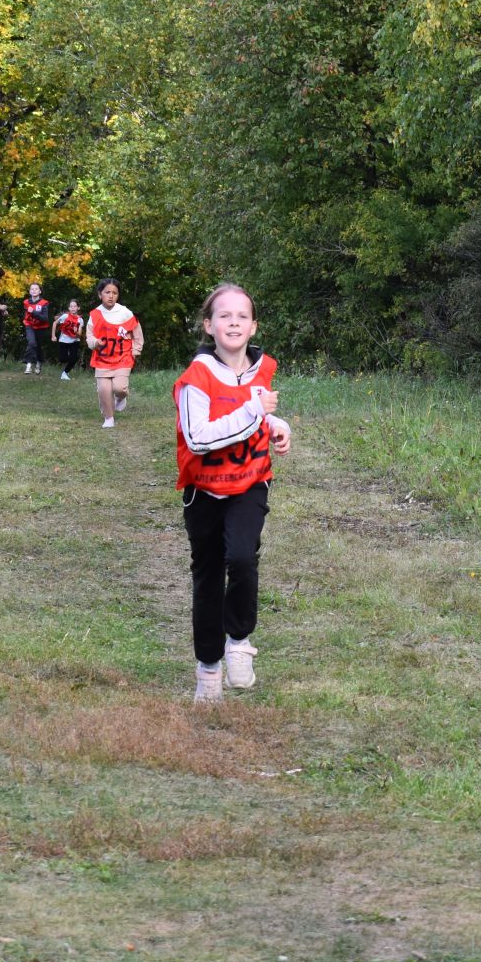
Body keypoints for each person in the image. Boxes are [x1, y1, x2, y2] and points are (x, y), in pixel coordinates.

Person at [173, 283, 292, 702]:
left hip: (249, 483)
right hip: (203, 491)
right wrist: (255, 411)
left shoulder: (262, 370)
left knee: (242, 557)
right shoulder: (196, 378)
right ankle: (208, 670)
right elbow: (200, 437)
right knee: (207, 577)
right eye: (224, 315)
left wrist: (280, 427)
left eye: (243, 315)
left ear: (254, 325)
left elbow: (263, 416)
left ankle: (239, 640)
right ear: (209, 325)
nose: (234, 322)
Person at [86, 277, 142, 428]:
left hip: (123, 358)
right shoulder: (94, 315)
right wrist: (95, 343)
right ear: (100, 294)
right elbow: (89, 336)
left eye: (114, 293)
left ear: (118, 295)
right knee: (104, 390)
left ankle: (120, 397)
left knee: (120, 388)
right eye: (107, 292)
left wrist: (136, 350)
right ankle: (109, 418)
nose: (111, 296)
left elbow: (137, 333)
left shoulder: (125, 313)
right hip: (102, 359)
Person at [20, 283, 51, 374]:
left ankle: (38, 362)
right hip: (29, 325)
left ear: (40, 291)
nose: (34, 290)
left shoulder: (44, 303)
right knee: (31, 343)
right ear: (29, 291)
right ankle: (28, 365)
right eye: (32, 289)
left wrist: (33, 312)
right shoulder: (26, 302)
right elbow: (26, 314)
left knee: (38, 346)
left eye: (36, 289)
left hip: (41, 327)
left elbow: (45, 318)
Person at [54, 299, 83, 379]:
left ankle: (65, 373)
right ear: (69, 308)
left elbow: (79, 335)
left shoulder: (80, 320)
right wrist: (53, 336)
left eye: (75, 306)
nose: (73, 308)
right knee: (63, 359)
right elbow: (55, 323)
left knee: (74, 358)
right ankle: (65, 366)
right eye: (71, 306)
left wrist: (76, 332)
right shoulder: (65, 316)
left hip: (75, 341)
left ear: (78, 308)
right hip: (64, 340)